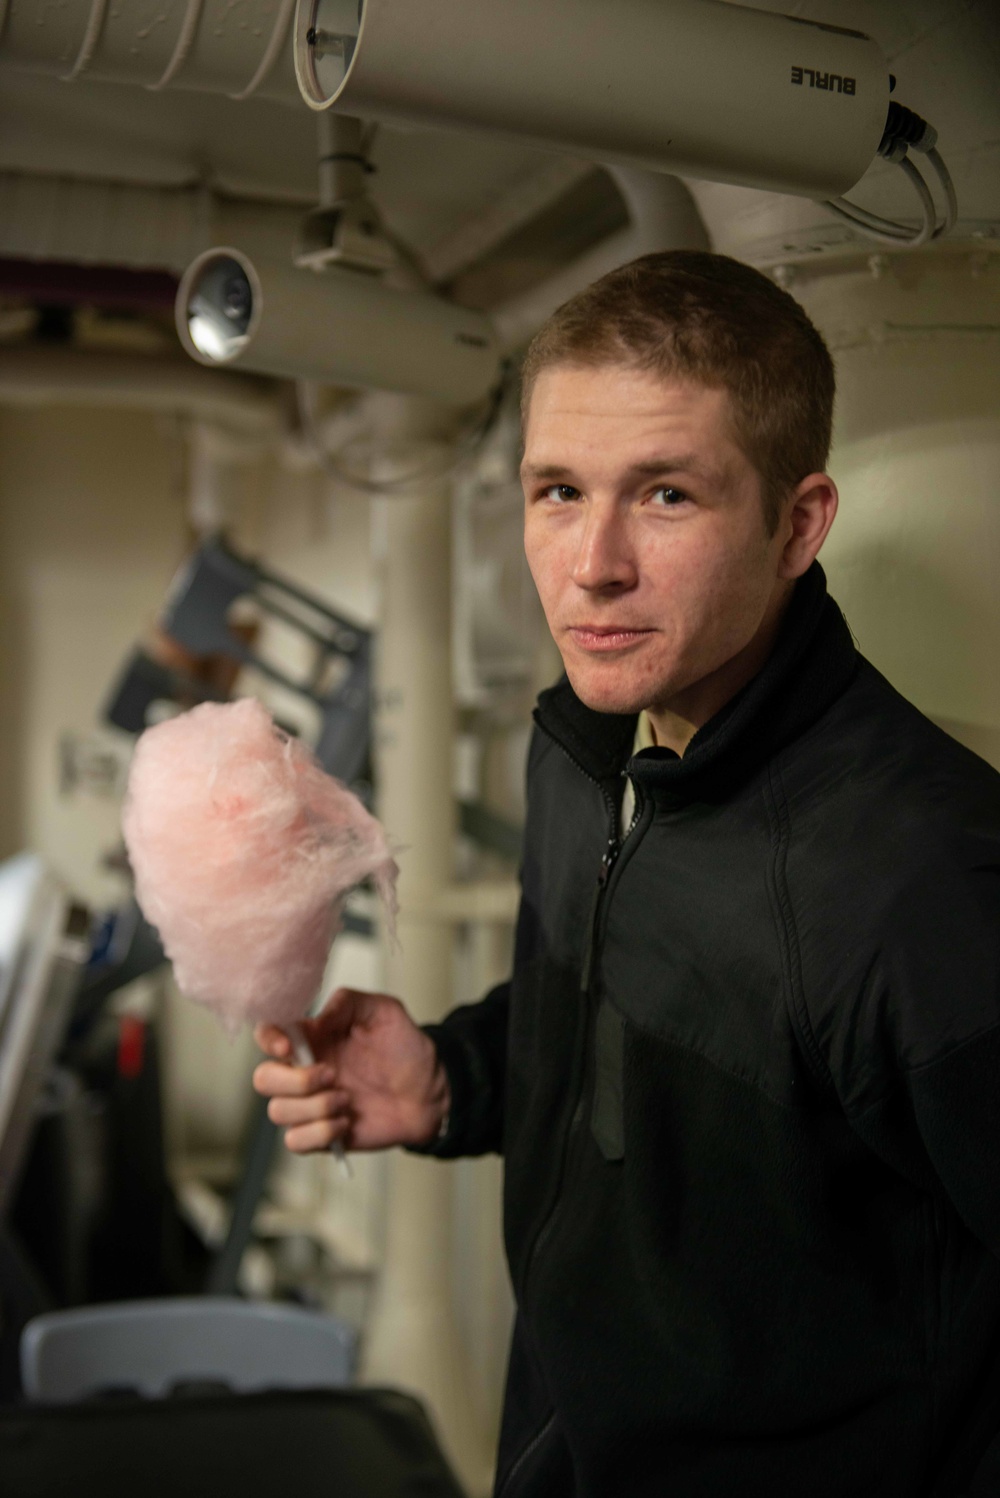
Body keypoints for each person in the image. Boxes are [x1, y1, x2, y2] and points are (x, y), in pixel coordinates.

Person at [253, 252, 1000, 1498]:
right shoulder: (587, 745)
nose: (591, 563)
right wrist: (456, 1077)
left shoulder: (918, 876)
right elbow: (624, 1031)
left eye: (663, 495)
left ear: (796, 525)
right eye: (557, 490)